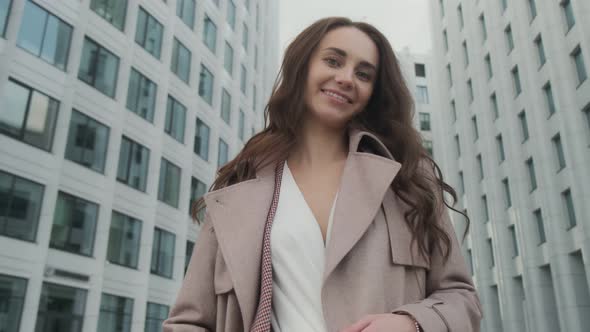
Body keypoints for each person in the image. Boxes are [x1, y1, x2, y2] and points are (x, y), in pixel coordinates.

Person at [163, 17, 482, 332]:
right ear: (302, 67)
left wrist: (410, 323)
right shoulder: (240, 187)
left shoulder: (408, 179)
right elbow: (188, 322)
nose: (346, 78)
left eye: (363, 74)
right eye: (333, 61)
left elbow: (462, 298)